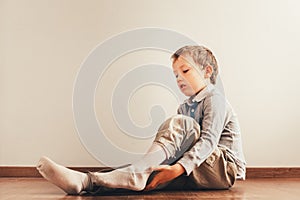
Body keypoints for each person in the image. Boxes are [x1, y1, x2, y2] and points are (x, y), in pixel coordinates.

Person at [37, 45, 246, 195]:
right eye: (175, 74)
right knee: (149, 175)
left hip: (222, 169)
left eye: (185, 71)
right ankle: (87, 182)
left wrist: (177, 168)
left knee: (183, 124)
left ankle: (137, 172)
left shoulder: (214, 98)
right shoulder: (185, 106)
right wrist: (167, 165)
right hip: (198, 168)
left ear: (207, 72)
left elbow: (208, 141)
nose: (179, 78)